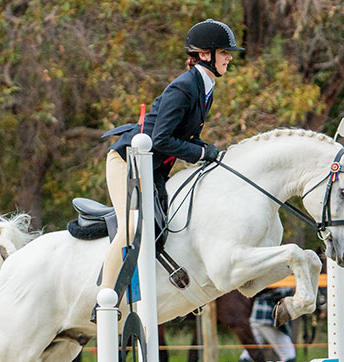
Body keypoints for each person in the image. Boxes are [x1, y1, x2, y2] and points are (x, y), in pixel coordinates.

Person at [99, 19, 244, 293]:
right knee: (130, 228)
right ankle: (105, 297)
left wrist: (211, 151)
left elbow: (186, 135)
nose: (229, 58)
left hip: (151, 167)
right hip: (125, 161)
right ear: (204, 55)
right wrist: (201, 152)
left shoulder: (205, 87)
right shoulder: (184, 87)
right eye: (224, 52)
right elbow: (162, 139)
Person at [238, 287, 299, 362]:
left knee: (250, 352)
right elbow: (277, 292)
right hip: (267, 318)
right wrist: (293, 290)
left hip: (257, 317)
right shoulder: (279, 276)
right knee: (287, 351)